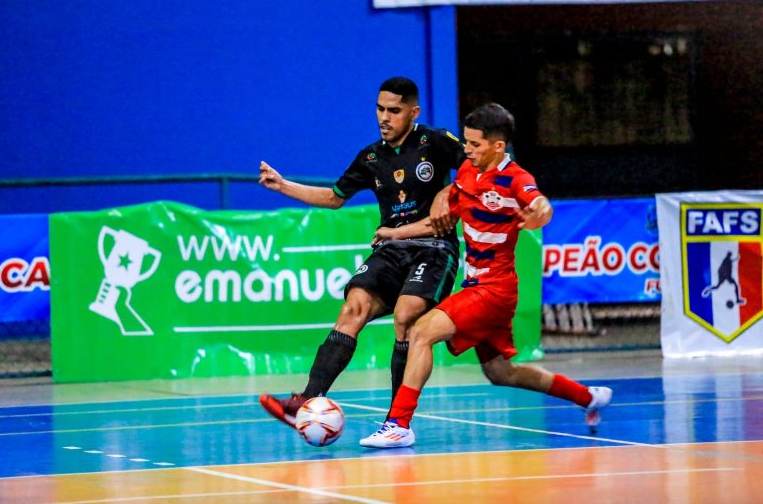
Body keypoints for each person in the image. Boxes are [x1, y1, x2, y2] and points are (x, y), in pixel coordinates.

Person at [359, 102, 613, 448]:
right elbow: (440, 219)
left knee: (420, 332)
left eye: (475, 144)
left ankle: (399, 424)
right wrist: (395, 232)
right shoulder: (466, 172)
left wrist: (541, 213)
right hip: (477, 285)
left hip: (494, 289)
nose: (467, 149)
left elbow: (539, 203)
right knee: (501, 373)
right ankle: (587, 396)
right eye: (466, 142)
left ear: (498, 146)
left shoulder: (516, 179)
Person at [257, 76, 467, 429]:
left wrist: (450, 192)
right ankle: (305, 402)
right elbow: (334, 198)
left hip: (434, 249)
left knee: (406, 314)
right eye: (380, 109)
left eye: (394, 111)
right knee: (352, 307)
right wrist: (283, 186)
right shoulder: (370, 157)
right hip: (390, 248)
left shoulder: (435, 141)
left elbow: (482, 166)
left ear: (413, 112)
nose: (384, 117)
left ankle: (396, 423)